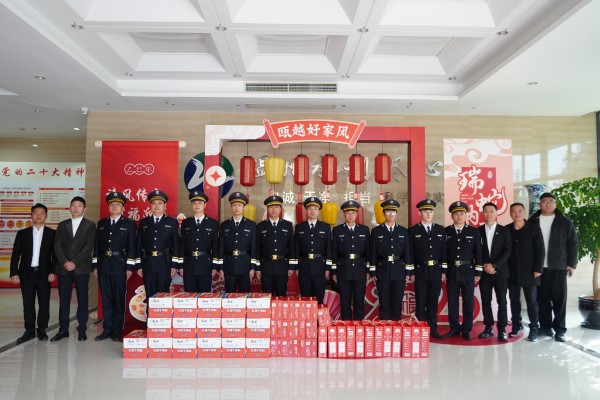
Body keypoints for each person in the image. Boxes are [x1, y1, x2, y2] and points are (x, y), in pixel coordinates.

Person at [529, 192, 578, 342]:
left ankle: (560, 330)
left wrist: (571, 264)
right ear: (540, 204)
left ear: (555, 203)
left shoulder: (564, 221)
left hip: (558, 266)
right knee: (542, 299)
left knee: (559, 300)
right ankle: (546, 327)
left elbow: (573, 243)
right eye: (544, 201)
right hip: (538, 268)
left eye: (550, 201)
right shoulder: (532, 221)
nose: (547, 204)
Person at [92, 192, 137, 341]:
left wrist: (129, 268)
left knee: (118, 300)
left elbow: (132, 247)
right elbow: (96, 246)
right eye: (112, 204)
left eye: (118, 204)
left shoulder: (129, 224)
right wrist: (95, 266)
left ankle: (117, 331)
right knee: (106, 299)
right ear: (109, 206)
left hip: (120, 266)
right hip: (104, 265)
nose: (114, 206)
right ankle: (107, 330)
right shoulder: (102, 224)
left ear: (123, 207)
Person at [10, 203, 56, 344]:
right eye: (36, 213)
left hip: (44, 274)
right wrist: (14, 272)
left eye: (42, 213)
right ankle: (29, 330)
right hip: (26, 274)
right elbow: (15, 254)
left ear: (46, 216)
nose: (39, 215)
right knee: (28, 303)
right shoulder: (22, 233)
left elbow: (55, 255)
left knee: (44, 303)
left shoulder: (52, 234)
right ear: (31, 215)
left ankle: (42, 329)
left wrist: (53, 271)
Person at [52, 196, 96, 342]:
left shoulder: (90, 225)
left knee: (83, 299)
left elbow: (89, 246)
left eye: (79, 206)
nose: (76, 208)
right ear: (70, 208)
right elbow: (57, 245)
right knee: (64, 300)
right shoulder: (62, 225)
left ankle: (81, 329)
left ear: (84, 209)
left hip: (81, 268)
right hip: (64, 269)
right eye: (74, 205)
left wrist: (74, 262)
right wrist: (65, 262)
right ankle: (63, 330)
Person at [443, 201, 483, 340]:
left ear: (466, 215)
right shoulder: (446, 232)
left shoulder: (474, 231)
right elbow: (443, 254)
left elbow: (479, 254)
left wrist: (478, 273)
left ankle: (466, 329)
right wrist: (444, 272)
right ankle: (454, 328)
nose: (459, 216)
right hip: (452, 271)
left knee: (468, 302)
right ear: (452, 216)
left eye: (462, 214)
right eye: (456, 214)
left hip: (468, 272)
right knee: (452, 301)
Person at [408, 199, 446, 339]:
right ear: (420, 213)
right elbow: (410, 253)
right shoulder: (413, 230)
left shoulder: (440, 230)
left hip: (436, 271)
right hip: (420, 270)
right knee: (420, 300)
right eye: (425, 211)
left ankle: (433, 328)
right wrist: (411, 272)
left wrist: (443, 271)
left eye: (430, 211)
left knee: (433, 302)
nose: (428, 213)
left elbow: (444, 253)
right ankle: (420, 328)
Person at [369, 199, 413, 320]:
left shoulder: (403, 231)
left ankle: (396, 327)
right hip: (382, 270)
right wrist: (373, 271)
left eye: (393, 211)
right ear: (383, 213)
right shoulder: (376, 231)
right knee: (384, 303)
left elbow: (407, 253)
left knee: (397, 303)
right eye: (388, 211)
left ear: (396, 213)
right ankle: (385, 327)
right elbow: (373, 252)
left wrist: (408, 272)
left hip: (399, 271)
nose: (390, 214)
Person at [507, 202, 545, 341]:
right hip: (512, 271)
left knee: (532, 301)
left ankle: (534, 328)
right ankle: (516, 326)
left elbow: (540, 250)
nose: (517, 214)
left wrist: (538, 269)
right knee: (514, 300)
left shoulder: (533, 228)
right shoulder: (506, 229)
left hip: (530, 272)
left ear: (524, 212)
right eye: (514, 211)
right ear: (510, 213)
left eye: (520, 211)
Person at [135, 190, 181, 303]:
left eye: (160, 203)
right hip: (148, 263)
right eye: (154, 203)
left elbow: (176, 245)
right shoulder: (144, 222)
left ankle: (162, 315)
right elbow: (138, 245)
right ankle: (149, 315)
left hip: (165, 264)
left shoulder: (172, 222)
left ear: (165, 206)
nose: (156, 206)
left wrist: (174, 265)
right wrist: (139, 265)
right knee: (150, 295)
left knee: (163, 295)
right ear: (150, 206)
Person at [477, 202, 512, 342]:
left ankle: (502, 329)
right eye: (486, 211)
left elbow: (507, 251)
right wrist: (485, 266)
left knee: (502, 301)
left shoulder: (504, 230)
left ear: (496, 213)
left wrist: (495, 265)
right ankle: (488, 327)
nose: (489, 214)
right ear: (483, 213)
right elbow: (476, 251)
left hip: (501, 272)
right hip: (484, 272)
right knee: (486, 301)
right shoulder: (478, 231)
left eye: (492, 211)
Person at [331, 200, 370, 320]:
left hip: (360, 269)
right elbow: (334, 253)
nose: (350, 215)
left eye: (353, 212)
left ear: (357, 214)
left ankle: (359, 326)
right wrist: (334, 272)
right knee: (345, 302)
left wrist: (368, 270)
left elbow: (368, 252)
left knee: (359, 301)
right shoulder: (337, 230)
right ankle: (346, 326)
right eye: (348, 213)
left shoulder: (364, 230)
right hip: (343, 270)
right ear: (344, 214)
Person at [216, 192, 258, 293]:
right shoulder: (225, 225)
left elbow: (254, 247)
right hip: (229, 266)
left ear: (244, 207)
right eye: (234, 205)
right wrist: (221, 267)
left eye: (239, 205)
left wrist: (252, 268)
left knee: (244, 296)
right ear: (231, 207)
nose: (236, 208)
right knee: (229, 296)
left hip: (245, 266)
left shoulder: (251, 225)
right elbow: (221, 247)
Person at [294, 196, 332, 304]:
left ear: (319, 212)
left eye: (315, 209)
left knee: (319, 298)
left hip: (320, 267)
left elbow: (329, 248)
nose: (312, 211)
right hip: (304, 267)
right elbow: (296, 248)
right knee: (305, 299)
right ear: (306, 211)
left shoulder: (325, 227)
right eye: (310, 208)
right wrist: (296, 267)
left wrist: (328, 268)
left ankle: (317, 316)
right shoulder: (299, 227)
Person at [179, 190, 219, 293]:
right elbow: (182, 245)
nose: (197, 205)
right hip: (189, 265)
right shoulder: (186, 223)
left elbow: (215, 246)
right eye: (194, 203)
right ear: (191, 205)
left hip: (205, 265)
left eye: (200, 203)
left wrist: (214, 266)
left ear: (205, 205)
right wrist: (181, 265)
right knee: (190, 296)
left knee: (204, 297)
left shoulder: (213, 224)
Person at [256, 195, 296, 296]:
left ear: (280, 209)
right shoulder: (260, 226)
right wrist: (258, 268)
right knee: (266, 296)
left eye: (276, 207)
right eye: (271, 207)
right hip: (266, 267)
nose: (274, 210)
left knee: (281, 296)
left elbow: (291, 246)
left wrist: (291, 266)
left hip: (282, 266)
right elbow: (257, 248)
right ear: (267, 209)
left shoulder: (287, 225)